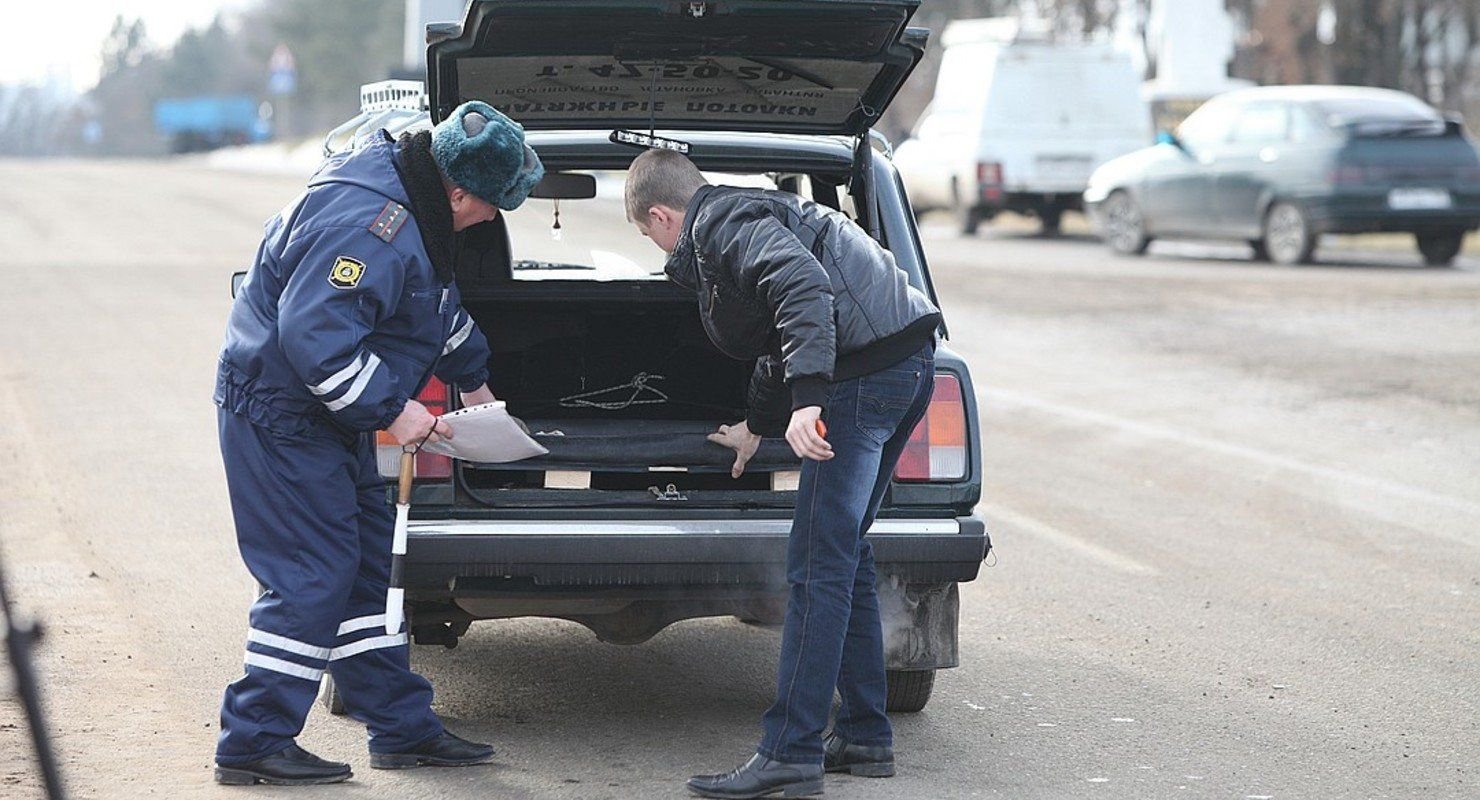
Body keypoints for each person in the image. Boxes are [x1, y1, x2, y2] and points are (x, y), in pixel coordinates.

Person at [211, 101, 543, 786]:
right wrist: (397, 412)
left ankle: (397, 723)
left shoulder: (416, 209)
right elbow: (315, 342)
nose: (492, 218)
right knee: (313, 572)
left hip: (329, 419)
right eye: (490, 206)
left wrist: (475, 384)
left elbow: (433, 305)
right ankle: (253, 740)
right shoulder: (373, 226)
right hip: (281, 416)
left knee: (367, 568)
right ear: (456, 191)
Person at [624, 149, 943, 799]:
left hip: (861, 381)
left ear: (661, 215)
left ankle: (790, 752)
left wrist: (808, 399)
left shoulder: (721, 226)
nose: (655, 246)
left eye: (646, 232)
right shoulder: (748, 213)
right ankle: (863, 734)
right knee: (845, 553)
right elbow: (777, 337)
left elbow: (802, 290)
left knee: (816, 563)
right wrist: (760, 424)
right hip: (906, 365)